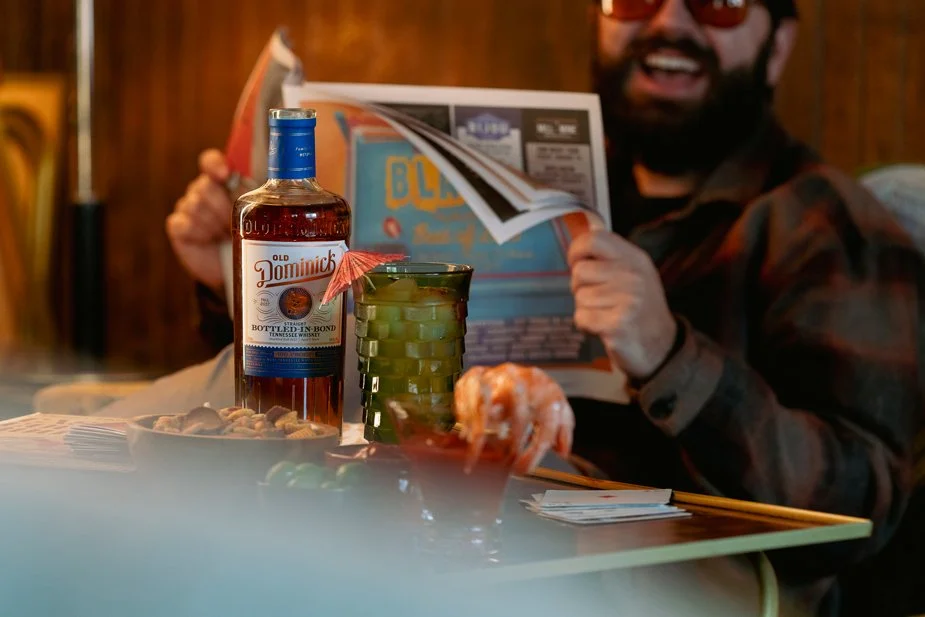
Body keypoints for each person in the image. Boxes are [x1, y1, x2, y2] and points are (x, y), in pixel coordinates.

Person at [162, 1, 923, 614]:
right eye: (633, 0)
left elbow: (861, 507)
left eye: (717, 4)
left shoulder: (822, 221)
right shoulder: (566, 184)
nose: (669, 21)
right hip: (464, 528)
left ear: (779, 44)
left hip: (658, 573)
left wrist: (668, 354)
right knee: (220, 437)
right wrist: (236, 282)